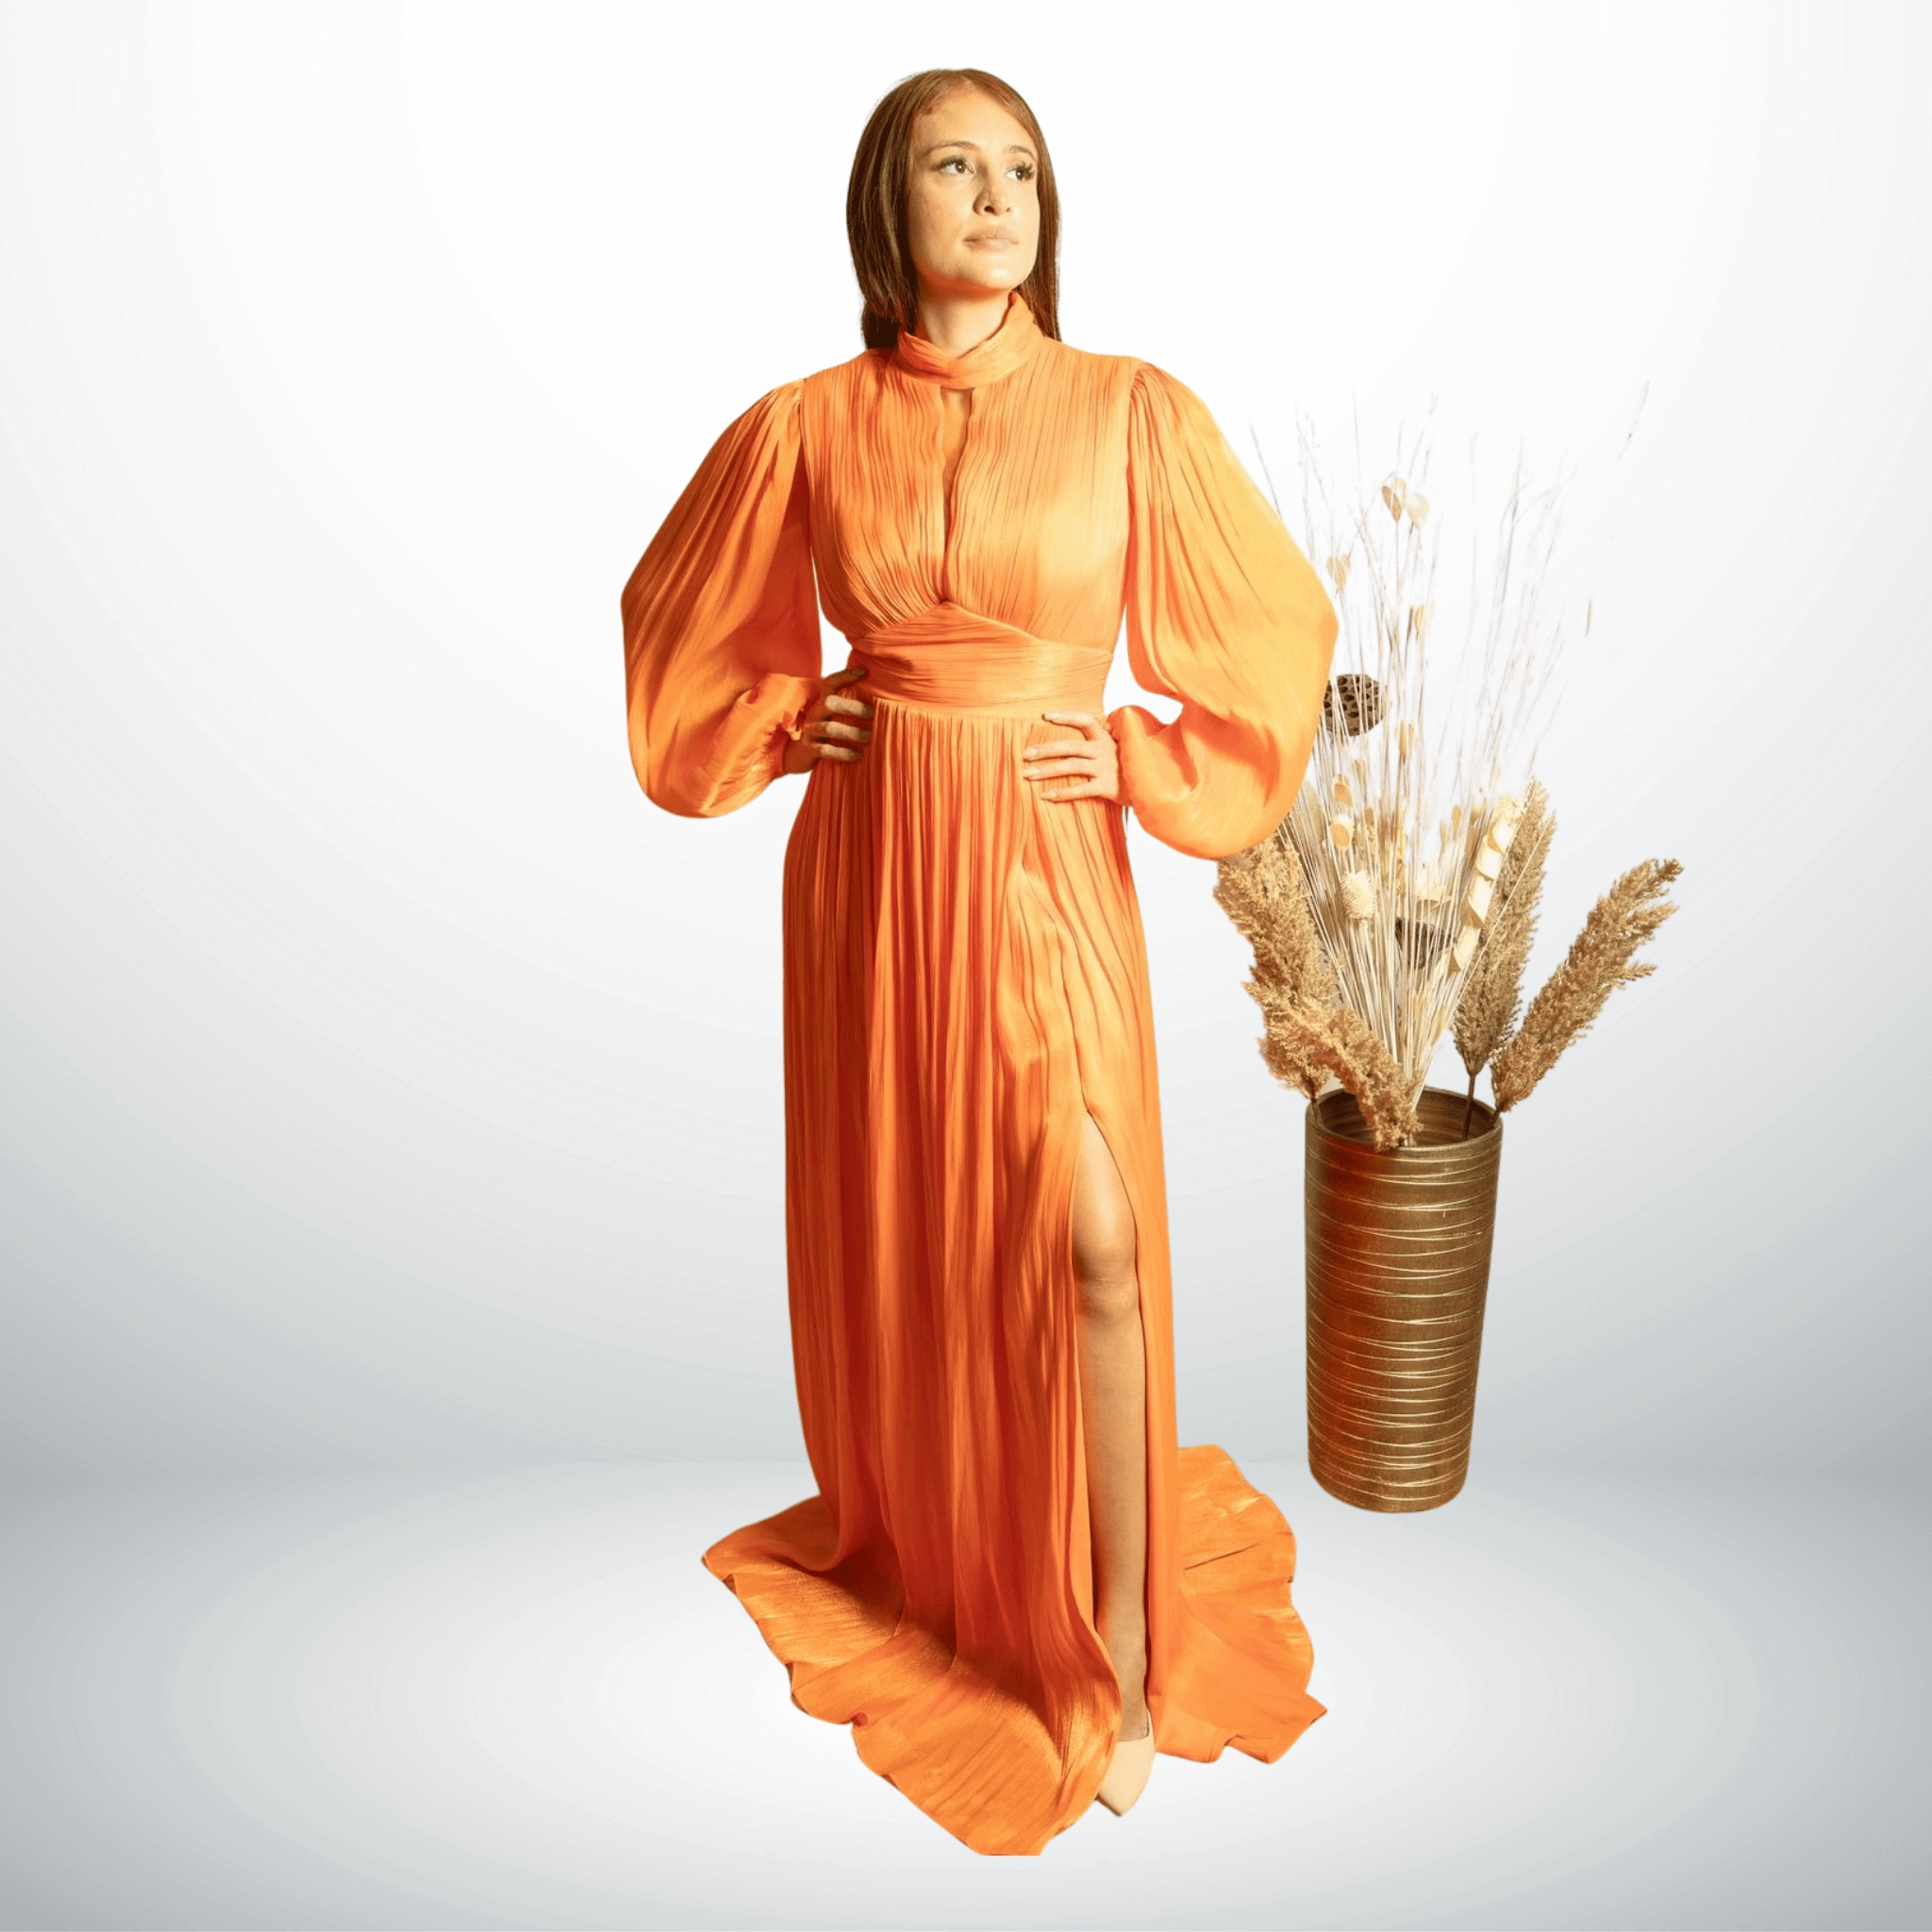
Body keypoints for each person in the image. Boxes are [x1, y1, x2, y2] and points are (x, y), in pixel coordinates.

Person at [622, 68, 1337, 1856]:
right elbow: (670, 629)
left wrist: (1149, 751)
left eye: (1022, 167)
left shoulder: (1128, 411)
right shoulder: (805, 426)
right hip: (877, 873)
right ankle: (955, 1561)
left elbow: (1274, 635)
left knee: (1095, 1240)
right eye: (957, 165)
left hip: (1044, 856)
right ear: (893, 204)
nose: (999, 196)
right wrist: (788, 716)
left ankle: (1122, 1658)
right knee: (929, 1233)